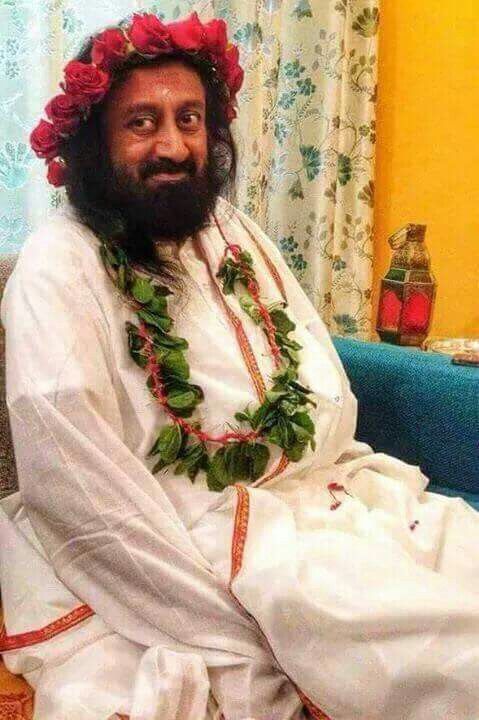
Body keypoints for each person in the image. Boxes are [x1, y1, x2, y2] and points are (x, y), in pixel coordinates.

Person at [1, 11, 479, 720]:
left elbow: (321, 386)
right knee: (430, 645)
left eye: (189, 119)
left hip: (318, 499)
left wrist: (310, 483)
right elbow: (79, 492)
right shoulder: (58, 266)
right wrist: (228, 625)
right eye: (141, 123)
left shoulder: (229, 231)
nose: (173, 145)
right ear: (95, 142)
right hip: (176, 527)